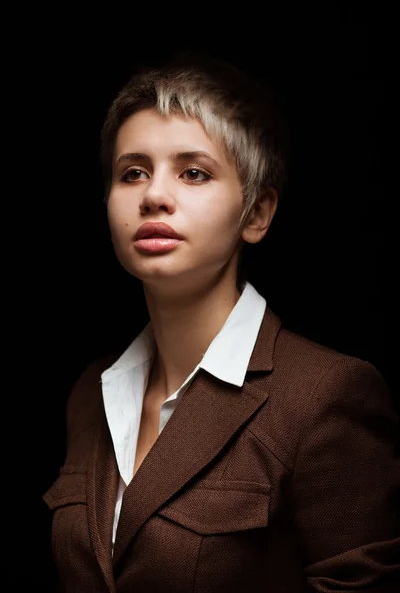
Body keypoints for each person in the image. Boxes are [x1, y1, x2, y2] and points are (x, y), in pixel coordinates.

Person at [43, 52, 399, 592]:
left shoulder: (325, 395)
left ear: (256, 214)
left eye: (194, 172)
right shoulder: (89, 395)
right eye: (132, 172)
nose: (154, 196)